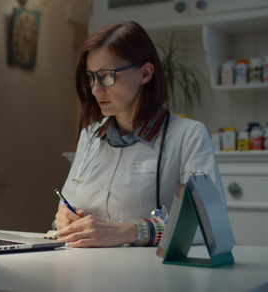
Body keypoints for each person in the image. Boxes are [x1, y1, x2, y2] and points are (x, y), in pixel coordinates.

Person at [54, 21, 225, 248]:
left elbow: (209, 224)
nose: (96, 89)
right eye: (91, 77)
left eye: (106, 76)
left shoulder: (188, 136)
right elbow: (65, 208)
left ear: (145, 73)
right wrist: (65, 219)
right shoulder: (90, 135)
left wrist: (129, 231)